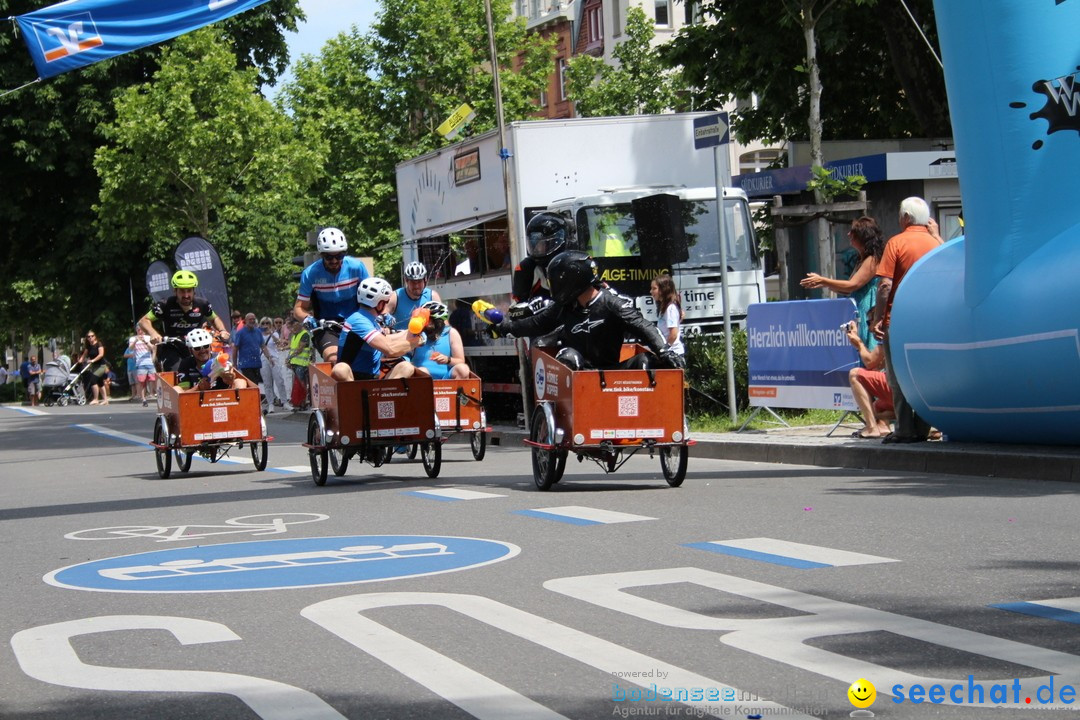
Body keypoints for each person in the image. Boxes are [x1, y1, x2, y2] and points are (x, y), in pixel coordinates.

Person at [492, 251, 684, 371]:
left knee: (646, 361)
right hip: (579, 373)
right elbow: (536, 323)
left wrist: (665, 352)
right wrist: (504, 327)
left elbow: (644, 326)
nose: (554, 287)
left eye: (557, 281)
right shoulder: (564, 307)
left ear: (572, 282)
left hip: (611, 373)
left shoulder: (613, 304)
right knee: (568, 356)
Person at [872, 197, 940, 444]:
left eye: (901, 215)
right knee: (925, 374)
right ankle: (924, 427)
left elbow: (885, 285)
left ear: (907, 218)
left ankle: (904, 428)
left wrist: (878, 318)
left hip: (899, 320)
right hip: (931, 321)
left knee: (898, 375)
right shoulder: (936, 244)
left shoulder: (897, 242)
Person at [800, 216, 887, 350]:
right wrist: (824, 283)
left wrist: (823, 280)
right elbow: (848, 289)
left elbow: (852, 285)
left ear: (863, 236)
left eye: (852, 232)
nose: (848, 234)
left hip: (869, 311)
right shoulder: (862, 259)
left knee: (868, 348)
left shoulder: (872, 259)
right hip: (862, 310)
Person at [293, 227, 370, 365]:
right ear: (321, 254)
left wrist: (381, 315)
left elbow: (372, 298)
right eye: (329, 257)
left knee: (371, 355)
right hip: (326, 325)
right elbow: (298, 308)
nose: (334, 261)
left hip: (356, 321)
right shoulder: (310, 274)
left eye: (339, 256)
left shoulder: (357, 267)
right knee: (333, 358)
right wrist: (307, 319)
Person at [334, 278, 424, 382]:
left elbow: (387, 340)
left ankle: (386, 396)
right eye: (386, 302)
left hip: (373, 380)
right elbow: (390, 349)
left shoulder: (371, 320)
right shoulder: (358, 320)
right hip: (353, 378)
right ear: (379, 303)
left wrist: (415, 332)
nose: (386, 306)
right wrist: (417, 341)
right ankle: (355, 396)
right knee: (340, 369)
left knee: (406, 367)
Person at [139, 270, 229, 372]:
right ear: (175, 291)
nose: (186, 295)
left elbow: (214, 319)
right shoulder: (165, 305)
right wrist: (153, 333)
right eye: (182, 291)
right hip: (172, 347)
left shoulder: (202, 304)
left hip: (196, 347)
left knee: (213, 369)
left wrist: (222, 330)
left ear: (193, 291)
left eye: (189, 291)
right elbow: (143, 321)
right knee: (176, 371)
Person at [843, 322, 893, 439]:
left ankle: (871, 428)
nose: (869, 328)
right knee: (876, 407)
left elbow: (870, 362)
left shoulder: (886, 329)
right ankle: (883, 425)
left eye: (869, 322)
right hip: (914, 388)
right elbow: (879, 364)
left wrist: (859, 344)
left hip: (900, 389)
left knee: (855, 374)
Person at [511, 212, 571, 303]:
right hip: (538, 316)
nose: (537, 248)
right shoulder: (527, 268)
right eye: (535, 244)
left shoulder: (572, 264)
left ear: (557, 241)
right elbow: (518, 306)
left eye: (543, 243)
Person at [410, 301, 470, 380]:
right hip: (423, 378)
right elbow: (405, 358)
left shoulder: (451, 333)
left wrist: (447, 360)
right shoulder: (415, 334)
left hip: (446, 377)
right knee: (422, 371)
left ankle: (458, 391)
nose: (428, 325)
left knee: (463, 369)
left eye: (432, 321)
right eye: (427, 320)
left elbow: (460, 361)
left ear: (439, 321)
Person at [175, 328, 249, 392]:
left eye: (205, 346)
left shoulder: (218, 358)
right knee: (177, 389)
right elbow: (183, 393)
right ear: (190, 350)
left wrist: (229, 378)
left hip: (222, 400)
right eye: (197, 348)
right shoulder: (186, 363)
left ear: (210, 347)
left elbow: (230, 374)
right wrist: (198, 388)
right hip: (195, 403)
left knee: (240, 382)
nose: (202, 350)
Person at [387, 261, 442, 329]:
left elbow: (443, 323)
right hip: (401, 338)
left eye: (419, 281)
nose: (416, 286)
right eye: (413, 282)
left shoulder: (432, 296)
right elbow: (381, 317)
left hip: (426, 338)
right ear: (406, 281)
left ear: (425, 280)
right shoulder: (395, 297)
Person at [232, 312, 270, 409]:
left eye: (253, 319)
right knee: (252, 385)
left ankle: (252, 404)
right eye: (250, 319)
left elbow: (263, 346)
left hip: (256, 363)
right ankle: (253, 405)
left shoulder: (257, 332)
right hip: (245, 364)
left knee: (255, 384)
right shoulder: (240, 333)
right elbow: (235, 348)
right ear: (246, 320)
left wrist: (269, 357)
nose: (252, 321)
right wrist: (234, 364)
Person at [649, 273, 684, 357]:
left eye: (654, 289)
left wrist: (664, 350)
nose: (651, 291)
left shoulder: (670, 308)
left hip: (674, 354)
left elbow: (673, 334)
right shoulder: (665, 307)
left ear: (663, 290)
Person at [125, 325, 157, 407]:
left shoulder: (148, 338)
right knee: (142, 382)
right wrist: (136, 340)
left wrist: (145, 342)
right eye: (139, 330)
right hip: (140, 363)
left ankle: (153, 393)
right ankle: (144, 399)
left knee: (153, 379)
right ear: (136, 330)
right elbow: (130, 349)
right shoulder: (132, 339)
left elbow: (152, 348)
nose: (140, 331)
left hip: (149, 362)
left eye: (142, 330)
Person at [286, 317, 312, 410]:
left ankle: (303, 402)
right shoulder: (294, 335)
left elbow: (300, 349)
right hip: (295, 363)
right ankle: (299, 401)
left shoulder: (304, 334)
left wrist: (289, 358)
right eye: (293, 326)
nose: (294, 328)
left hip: (302, 363)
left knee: (302, 383)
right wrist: (289, 360)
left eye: (296, 325)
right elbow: (293, 348)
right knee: (298, 383)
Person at [77, 331, 108, 405]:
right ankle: (105, 400)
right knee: (100, 382)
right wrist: (80, 361)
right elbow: (84, 355)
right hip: (94, 367)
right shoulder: (88, 346)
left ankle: (96, 399)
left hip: (101, 366)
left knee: (93, 380)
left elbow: (101, 355)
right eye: (88, 336)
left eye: (92, 336)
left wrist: (93, 360)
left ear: (95, 336)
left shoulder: (99, 344)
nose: (90, 338)